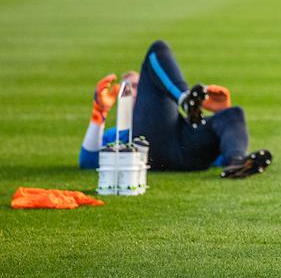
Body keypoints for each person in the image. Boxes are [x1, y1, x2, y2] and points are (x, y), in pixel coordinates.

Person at [79, 40, 271, 178]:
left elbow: (218, 152)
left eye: (139, 85)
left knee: (233, 114)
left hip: (185, 153)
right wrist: (99, 114)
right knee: (157, 49)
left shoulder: (171, 120)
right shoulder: (120, 133)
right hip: (147, 149)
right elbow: (87, 161)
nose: (137, 91)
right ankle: (184, 98)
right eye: (129, 87)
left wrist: (221, 112)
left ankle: (237, 163)